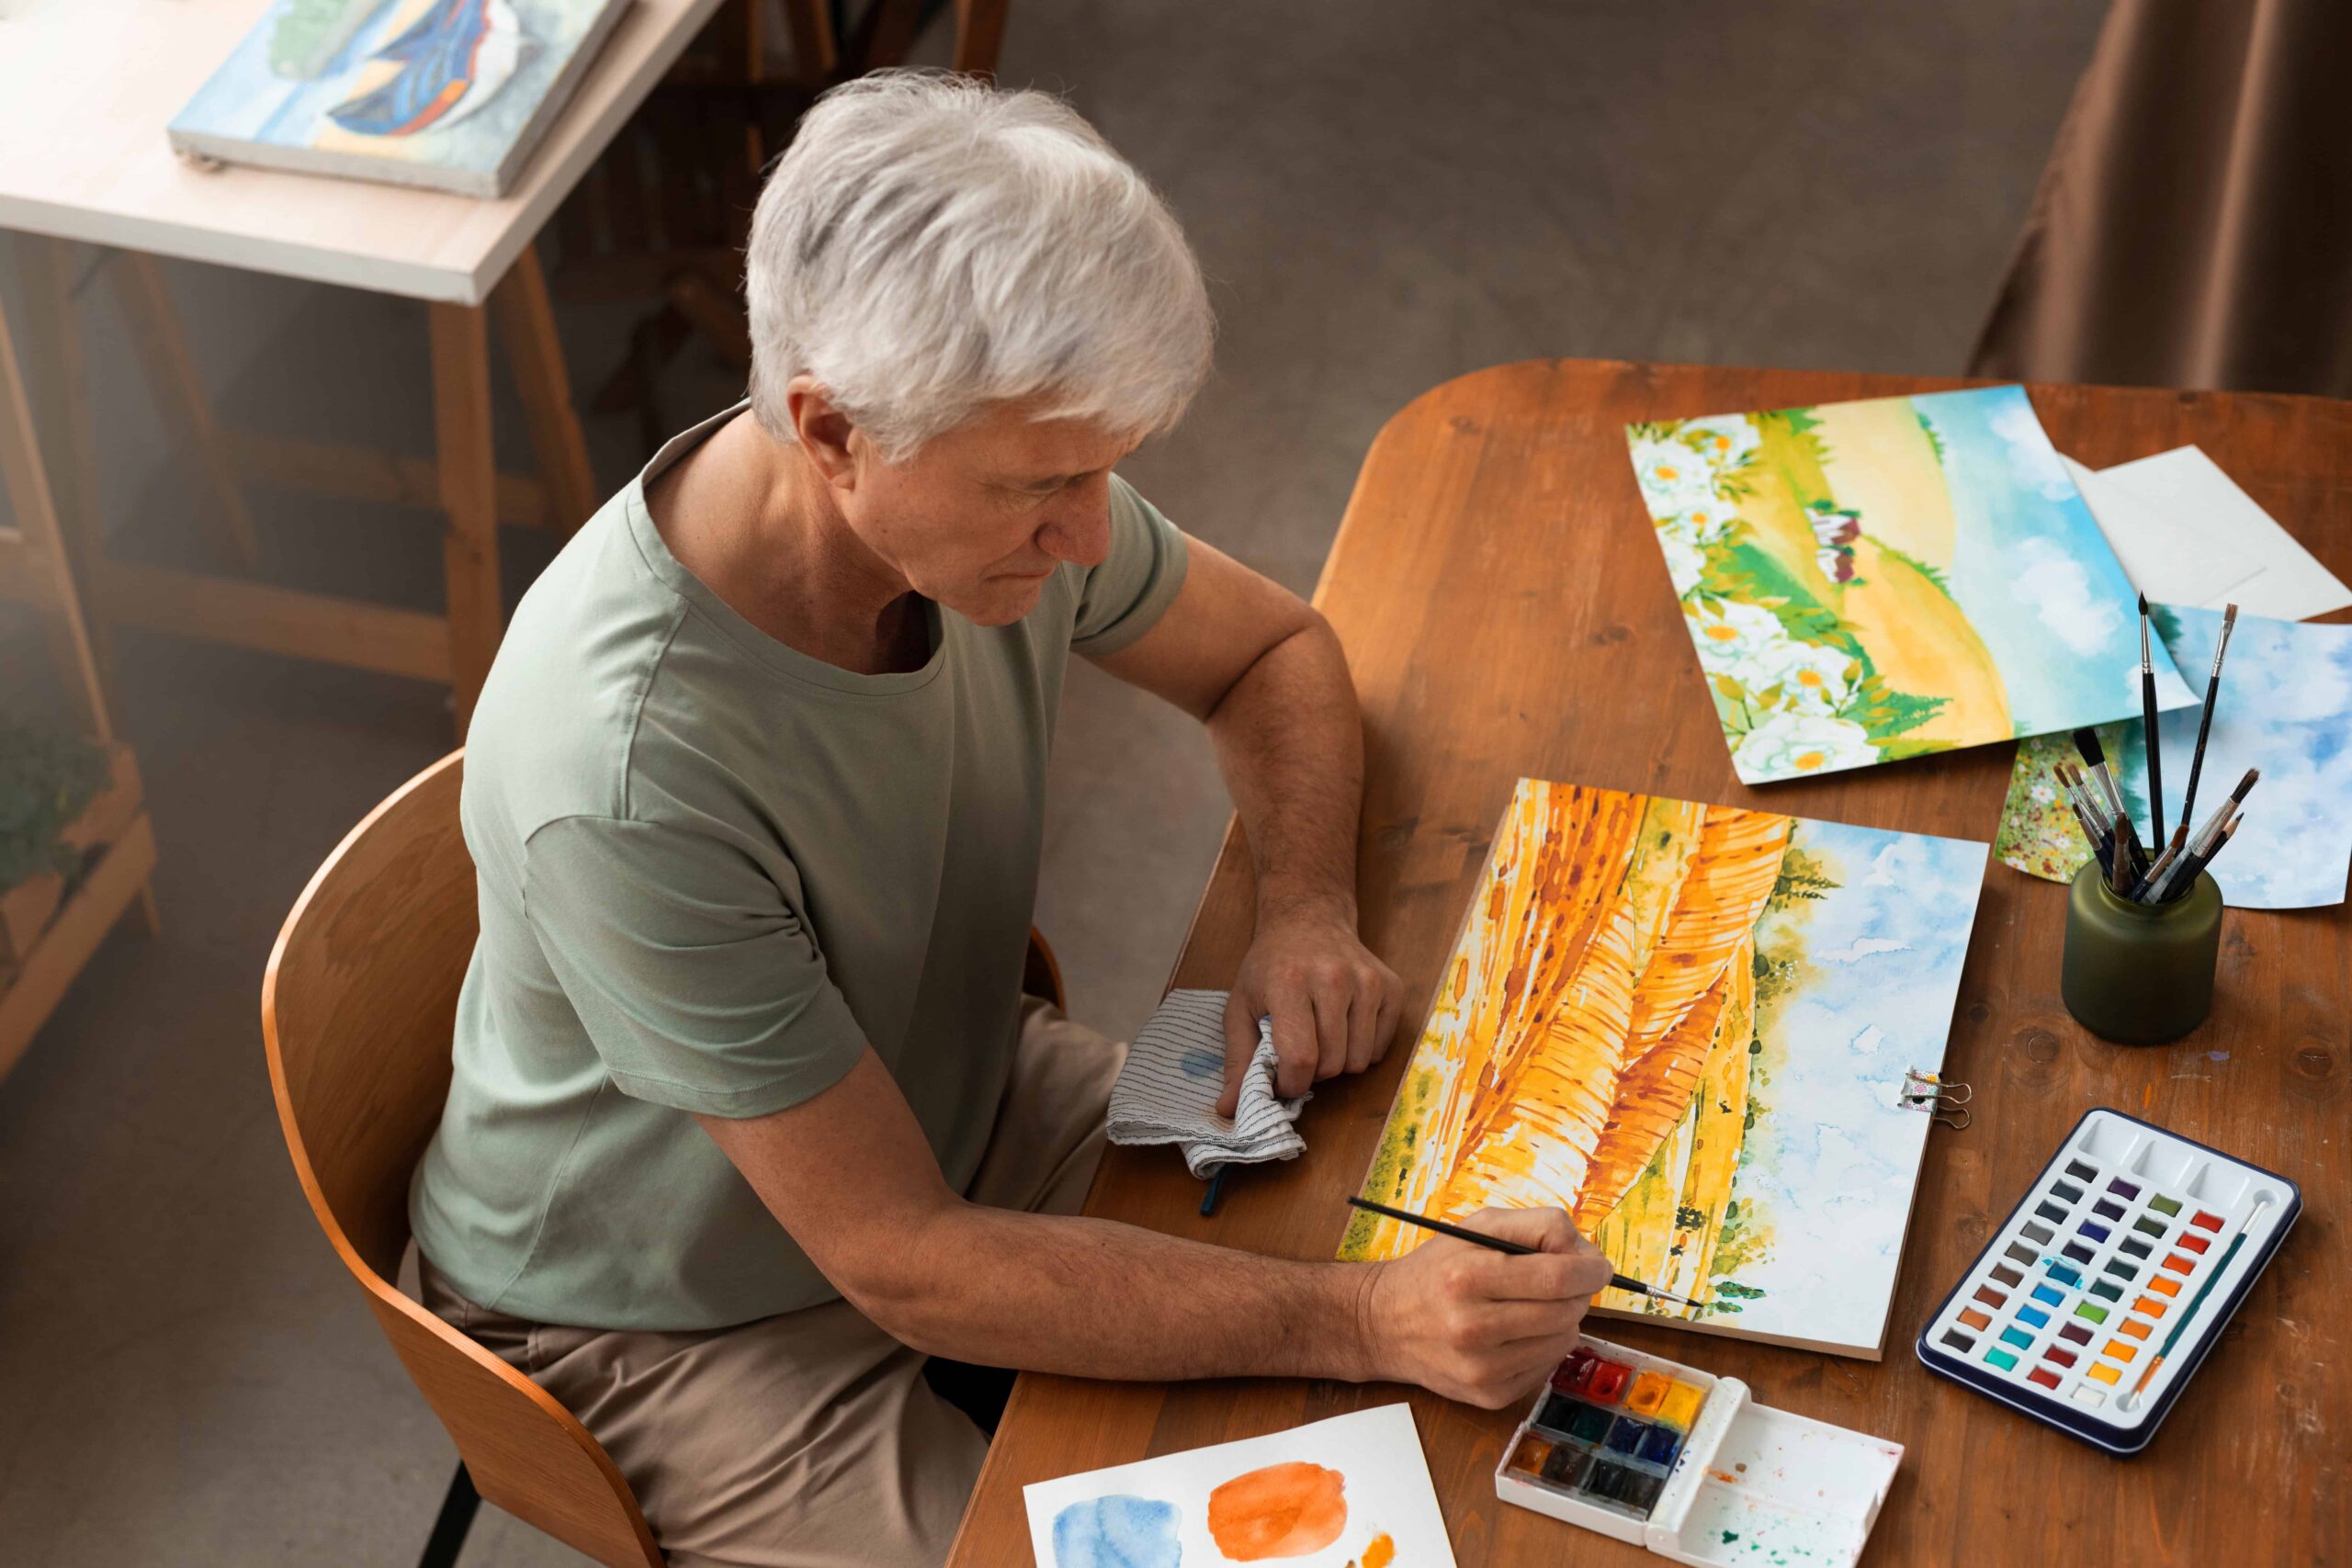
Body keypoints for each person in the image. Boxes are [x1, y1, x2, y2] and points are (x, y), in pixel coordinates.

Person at [410, 70, 1612, 1568]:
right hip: (660, 1311)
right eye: (1042, 485)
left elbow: (1272, 651)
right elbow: (905, 1261)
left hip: (949, 1097)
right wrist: (1363, 1323)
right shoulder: (632, 772)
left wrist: (1305, 907)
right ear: (830, 430)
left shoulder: (974, 479)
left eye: (1105, 468)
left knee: (1437, 1225)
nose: (1093, 534)